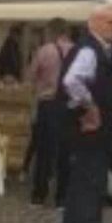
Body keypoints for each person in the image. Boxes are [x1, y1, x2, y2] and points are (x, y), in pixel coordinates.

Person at [58, 5, 112, 223]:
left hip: (92, 132)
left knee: (79, 191)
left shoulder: (100, 50)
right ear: (95, 22)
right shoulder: (89, 50)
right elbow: (71, 81)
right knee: (90, 191)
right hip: (92, 133)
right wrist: (91, 106)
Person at [27, 18, 72, 205]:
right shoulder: (76, 51)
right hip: (69, 105)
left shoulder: (44, 50)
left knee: (44, 150)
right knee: (65, 151)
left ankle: (39, 194)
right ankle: (62, 197)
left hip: (47, 104)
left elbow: (31, 76)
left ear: (51, 31)